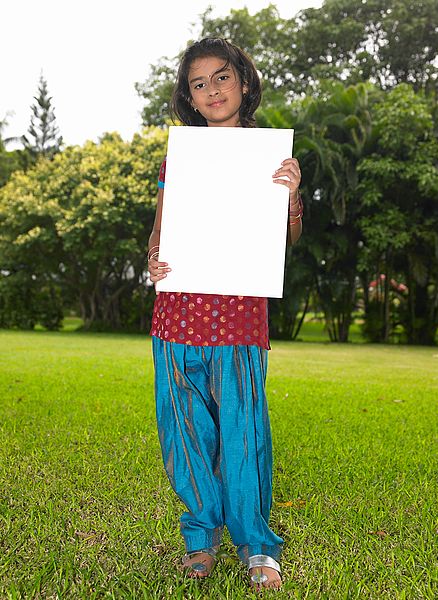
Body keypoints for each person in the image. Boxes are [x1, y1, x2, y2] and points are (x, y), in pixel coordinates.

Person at [147, 37, 303, 593]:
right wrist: (153, 260)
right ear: (188, 98)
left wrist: (290, 198)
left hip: (239, 317)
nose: (211, 90)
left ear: (242, 80)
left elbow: (286, 239)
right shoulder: (179, 157)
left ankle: (257, 543)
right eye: (198, 83)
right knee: (184, 429)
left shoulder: (271, 155)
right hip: (179, 313)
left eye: (220, 77)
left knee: (242, 431)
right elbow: (161, 229)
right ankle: (199, 532)